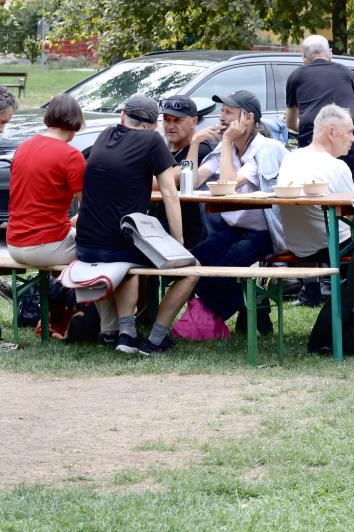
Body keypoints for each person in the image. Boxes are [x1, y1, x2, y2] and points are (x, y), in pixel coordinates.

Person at [174, 90, 289, 340]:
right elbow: (191, 181)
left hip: (265, 232)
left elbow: (228, 186)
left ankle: (247, 304)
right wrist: (194, 143)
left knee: (224, 267)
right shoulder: (225, 148)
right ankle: (253, 302)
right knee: (193, 262)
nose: (222, 117)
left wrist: (226, 142)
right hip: (235, 229)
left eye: (229, 112)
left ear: (248, 118)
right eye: (222, 111)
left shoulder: (266, 149)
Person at [74, 94, 183, 353]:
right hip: (118, 247)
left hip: (85, 246)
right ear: (154, 125)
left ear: (122, 117)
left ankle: (124, 333)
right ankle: (149, 336)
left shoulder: (105, 135)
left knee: (125, 260)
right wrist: (179, 243)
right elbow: (170, 193)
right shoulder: (152, 140)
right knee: (188, 269)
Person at [6, 94, 86, 268]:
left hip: (13, 244)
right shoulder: (71, 156)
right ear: (76, 122)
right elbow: (89, 207)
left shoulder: (23, 147)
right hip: (46, 247)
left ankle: (53, 285)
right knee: (104, 250)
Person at [276, 104, 354, 261]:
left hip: (298, 249)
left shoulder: (290, 158)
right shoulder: (337, 167)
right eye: (350, 132)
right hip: (334, 247)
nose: (353, 139)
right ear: (331, 132)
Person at [285, 34, 354, 175]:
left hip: (313, 137)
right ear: (330, 54)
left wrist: (319, 128)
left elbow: (290, 122)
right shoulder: (347, 73)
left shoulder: (296, 76)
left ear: (304, 59)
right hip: (350, 137)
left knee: (315, 183)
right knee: (352, 180)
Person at [152, 95, 215, 248]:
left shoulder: (201, 149)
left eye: (177, 120)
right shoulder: (165, 148)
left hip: (189, 230)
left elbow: (167, 180)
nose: (170, 126)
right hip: (159, 223)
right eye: (166, 119)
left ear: (194, 121)